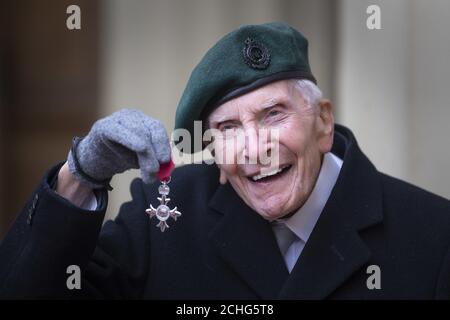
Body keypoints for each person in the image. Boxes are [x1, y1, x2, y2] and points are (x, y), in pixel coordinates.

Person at [1, 22, 449, 299]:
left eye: (273, 114)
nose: (255, 150)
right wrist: (80, 176)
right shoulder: (166, 215)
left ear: (324, 123)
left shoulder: (433, 235)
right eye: (228, 129)